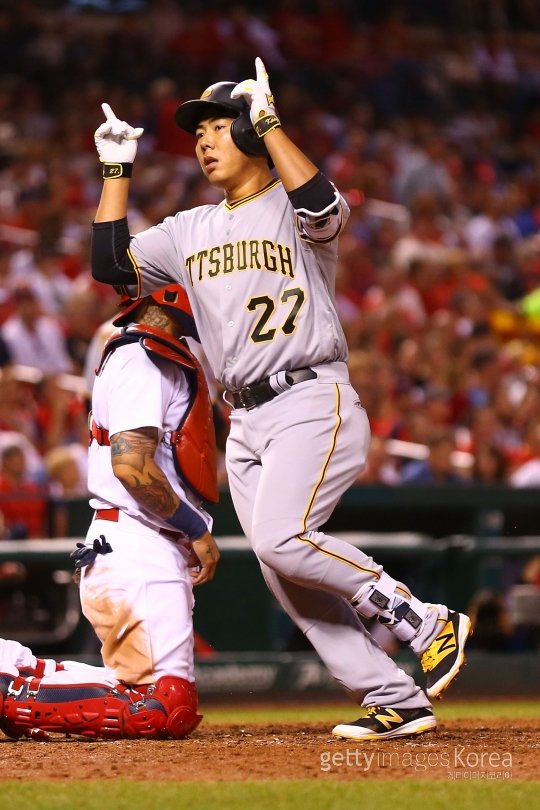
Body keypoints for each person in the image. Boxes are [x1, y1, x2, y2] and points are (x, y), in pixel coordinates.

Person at [89, 57, 471, 741]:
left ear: (249, 133)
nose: (204, 141)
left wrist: (270, 125)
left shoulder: (293, 203)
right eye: (197, 132)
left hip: (309, 394)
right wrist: (116, 172)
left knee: (284, 539)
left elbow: (323, 207)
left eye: (217, 127)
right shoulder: (187, 228)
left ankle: (424, 619)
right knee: (280, 567)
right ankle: (394, 697)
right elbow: (111, 267)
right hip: (244, 416)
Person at [0, 285, 220, 740]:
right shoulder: (142, 357)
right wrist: (195, 529)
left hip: (140, 541)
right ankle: (8, 687)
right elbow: (131, 465)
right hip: (138, 540)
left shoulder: (154, 352)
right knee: (160, 706)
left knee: (149, 696)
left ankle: (15, 672)